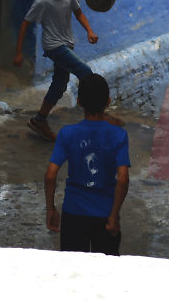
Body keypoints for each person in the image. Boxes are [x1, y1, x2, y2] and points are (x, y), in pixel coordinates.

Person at [13, 0, 99, 141]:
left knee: (59, 84)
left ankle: (39, 119)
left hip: (66, 43)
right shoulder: (43, 1)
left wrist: (89, 31)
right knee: (85, 72)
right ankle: (93, 116)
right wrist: (19, 52)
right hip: (54, 46)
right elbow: (25, 24)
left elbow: (78, 13)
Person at [44, 73, 130, 254]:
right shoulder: (118, 135)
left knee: (73, 269)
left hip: (74, 212)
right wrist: (114, 216)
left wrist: (51, 208)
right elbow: (122, 179)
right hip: (105, 214)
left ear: (79, 102)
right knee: (106, 270)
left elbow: (51, 174)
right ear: (108, 101)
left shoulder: (67, 134)